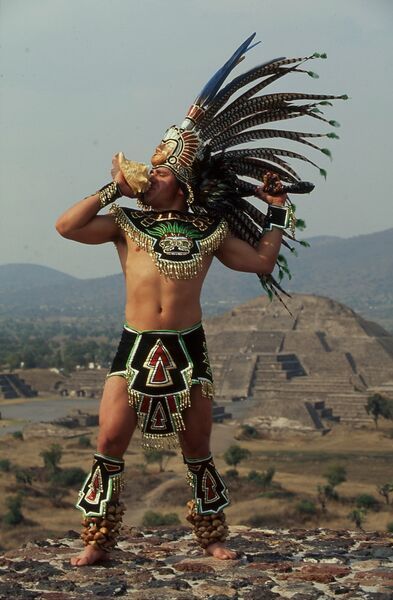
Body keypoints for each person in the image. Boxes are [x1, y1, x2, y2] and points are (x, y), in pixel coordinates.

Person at [56, 34, 345, 566]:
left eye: (161, 171)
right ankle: (96, 541)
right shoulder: (126, 222)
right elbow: (66, 227)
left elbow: (260, 261)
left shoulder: (209, 229)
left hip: (189, 349)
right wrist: (112, 188)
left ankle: (212, 536)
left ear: (182, 183)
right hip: (136, 345)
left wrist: (278, 210)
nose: (150, 174)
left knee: (198, 447)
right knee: (110, 437)